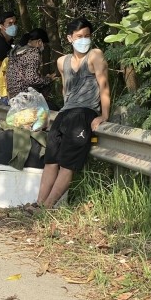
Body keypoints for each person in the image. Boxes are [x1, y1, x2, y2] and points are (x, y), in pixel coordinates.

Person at [32, 18, 110, 211]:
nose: (84, 40)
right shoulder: (62, 61)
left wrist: (103, 115)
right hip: (64, 114)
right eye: (79, 37)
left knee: (67, 164)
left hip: (84, 114)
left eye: (87, 36)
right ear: (69, 38)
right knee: (51, 160)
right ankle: (38, 204)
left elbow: (104, 85)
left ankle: (48, 207)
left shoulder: (95, 55)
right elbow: (65, 90)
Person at [6, 28, 57, 99]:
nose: (43, 47)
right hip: (24, 95)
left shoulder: (17, 51)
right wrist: (48, 79)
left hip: (12, 95)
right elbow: (32, 79)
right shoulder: (33, 53)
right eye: (44, 44)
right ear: (39, 41)